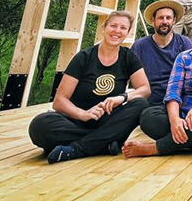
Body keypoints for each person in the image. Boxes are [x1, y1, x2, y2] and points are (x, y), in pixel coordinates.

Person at [29, 11, 151, 163]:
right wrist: (83, 114)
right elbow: (59, 101)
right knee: (39, 125)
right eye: (113, 26)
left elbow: (145, 89)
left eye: (123, 28)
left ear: (127, 32)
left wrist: (122, 97)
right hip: (76, 120)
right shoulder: (84, 57)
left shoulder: (128, 57)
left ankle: (76, 149)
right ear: (104, 27)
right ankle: (103, 144)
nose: (117, 31)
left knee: (141, 104)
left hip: (108, 120)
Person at [124, 14, 192, 157]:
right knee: (148, 117)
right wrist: (175, 120)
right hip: (183, 113)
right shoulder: (184, 57)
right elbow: (173, 91)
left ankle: (156, 148)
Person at [130, 0, 192, 105]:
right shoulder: (139, 46)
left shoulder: (184, 43)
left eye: (168, 18)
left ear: (174, 20)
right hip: (147, 101)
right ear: (153, 20)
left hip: (177, 101)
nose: (164, 21)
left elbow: (191, 76)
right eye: (160, 18)